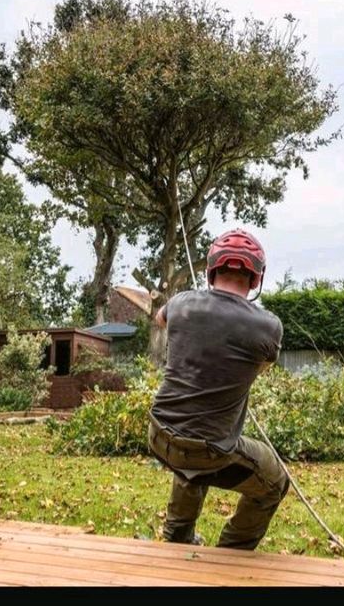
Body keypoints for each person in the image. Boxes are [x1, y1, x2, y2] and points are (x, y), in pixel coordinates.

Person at [148, 228, 288, 550]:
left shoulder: (181, 303)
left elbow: (160, 319)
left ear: (212, 270)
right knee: (275, 483)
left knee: (191, 455)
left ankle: (178, 536)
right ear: (256, 279)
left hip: (158, 435)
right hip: (209, 450)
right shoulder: (268, 326)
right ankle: (232, 554)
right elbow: (261, 367)